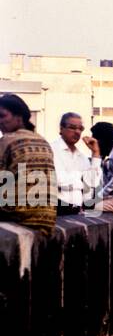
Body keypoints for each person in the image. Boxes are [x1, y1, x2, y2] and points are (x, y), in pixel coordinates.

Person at [0, 92, 58, 233]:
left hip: (19, 214)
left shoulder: (7, 141)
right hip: (47, 218)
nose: (0, 121)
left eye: (2, 116)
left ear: (19, 117)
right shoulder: (43, 141)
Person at [49, 111, 95, 212]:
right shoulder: (51, 150)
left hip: (77, 211)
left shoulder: (82, 157)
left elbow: (91, 187)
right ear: (61, 129)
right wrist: (81, 181)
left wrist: (95, 153)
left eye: (80, 129)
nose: (77, 132)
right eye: (72, 127)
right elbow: (58, 181)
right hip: (57, 209)